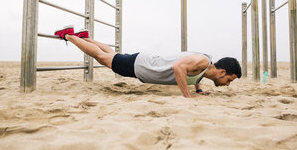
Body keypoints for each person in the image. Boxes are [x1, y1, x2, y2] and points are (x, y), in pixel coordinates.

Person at [55, 25, 242, 98]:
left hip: (144, 64)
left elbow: (193, 71)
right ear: (222, 72)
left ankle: (84, 37)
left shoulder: (204, 64)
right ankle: (69, 36)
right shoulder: (203, 61)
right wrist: (188, 96)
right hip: (143, 66)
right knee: (103, 58)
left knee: (111, 55)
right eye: (230, 80)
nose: (227, 84)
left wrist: (198, 89)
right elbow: (179, 67)